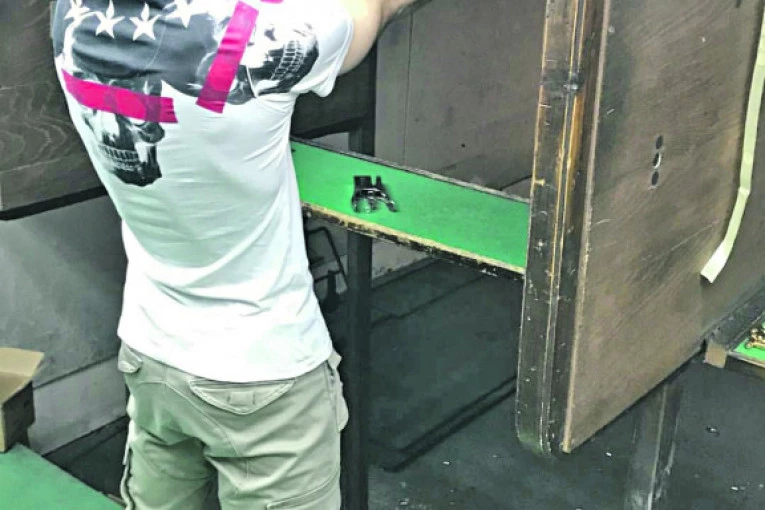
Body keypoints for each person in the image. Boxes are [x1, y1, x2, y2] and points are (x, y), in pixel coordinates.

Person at [51, 0, 428, 508]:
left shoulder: (71, 16)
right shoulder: (272, 35)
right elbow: (377, 8)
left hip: (151, 353)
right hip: (265, 378)